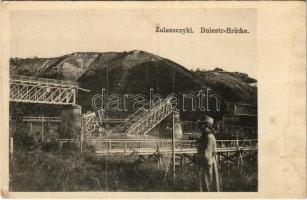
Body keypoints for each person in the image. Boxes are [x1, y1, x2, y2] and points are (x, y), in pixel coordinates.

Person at [195, 114, 219, 192]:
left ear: (206, 126)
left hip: (207, 166)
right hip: (209, 164)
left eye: (202, 125)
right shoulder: (208, 136)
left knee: (207, 187)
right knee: (209, 186)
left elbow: (206, 156)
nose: (200, 127)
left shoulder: (208, 138)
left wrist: (194, 158)